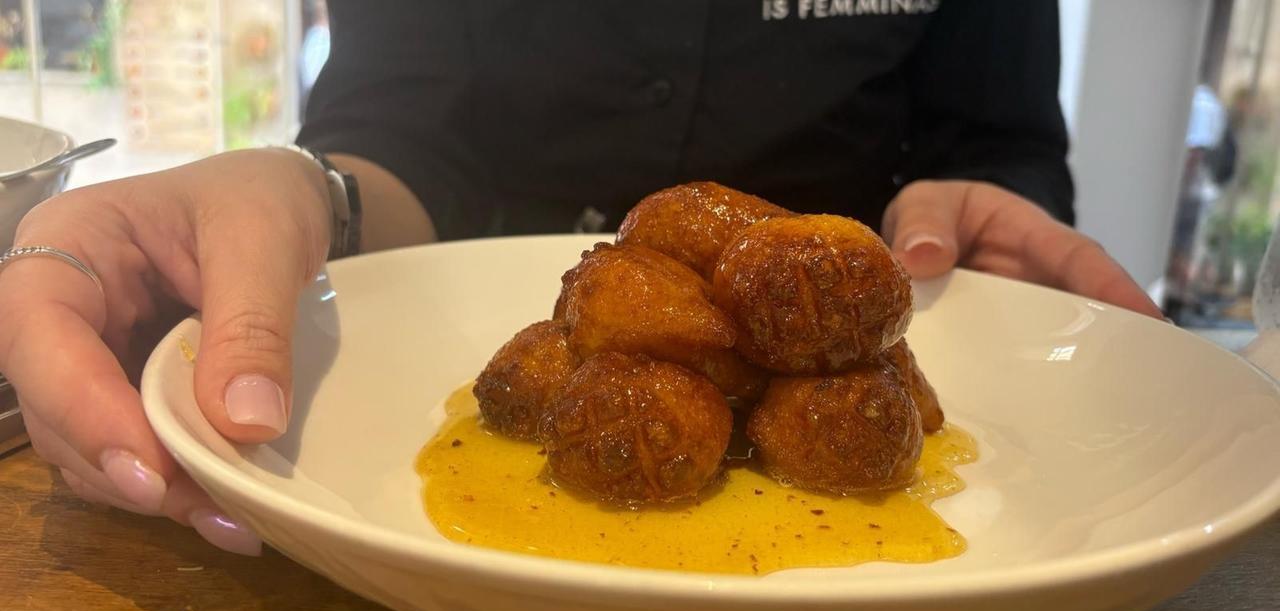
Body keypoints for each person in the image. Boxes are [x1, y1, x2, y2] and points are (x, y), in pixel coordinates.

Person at [0, 0, 1162, 556]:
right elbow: (399, 136)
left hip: (861, 345)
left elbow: (997, 142)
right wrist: (309, 191)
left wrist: (977, 216)